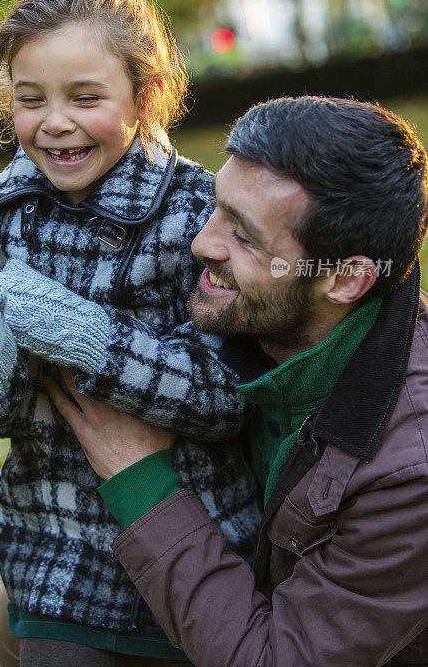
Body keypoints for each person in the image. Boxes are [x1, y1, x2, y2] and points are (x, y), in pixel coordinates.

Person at [0, 0, 261, 667]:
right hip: (54, 558)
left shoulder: (196, 220)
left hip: (194, 543)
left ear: (145, 95)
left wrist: (85, 336)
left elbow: (228, 398)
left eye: (85, 97)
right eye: (30, 99)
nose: (55, 124)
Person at [47, 96, 428, 667]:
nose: (203, 243)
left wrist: (142, 484)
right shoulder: (255, 306)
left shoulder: (409, 469)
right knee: (22, 608)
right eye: (217, 207)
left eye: (244, 238)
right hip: (230, 599)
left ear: (346, 279)